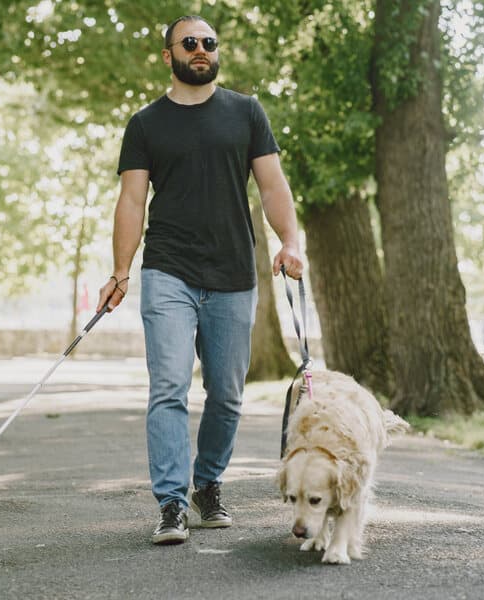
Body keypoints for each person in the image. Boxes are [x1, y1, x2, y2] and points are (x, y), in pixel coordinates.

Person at [96, 15, 303, 545]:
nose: (201, 50)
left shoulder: (247, 111)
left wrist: (291, 241)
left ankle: (207, 484)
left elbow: (273, 185)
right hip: (169, 269)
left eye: (209, 43)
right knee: (168, 387)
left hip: (234, 272)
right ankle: (170, 502)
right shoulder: (146, 123)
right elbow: (131, 200)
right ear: (169, 55)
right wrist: (120, 271)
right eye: (189, 43)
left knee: (227, 394)